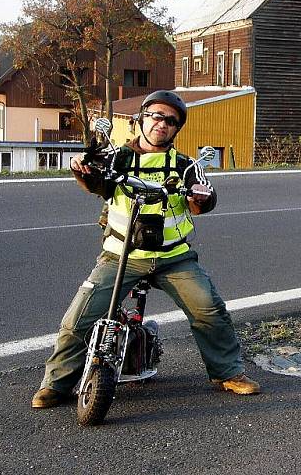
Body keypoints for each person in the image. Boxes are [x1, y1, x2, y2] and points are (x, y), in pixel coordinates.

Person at [32, 90, 260, 408]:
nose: (162, 124)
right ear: (142, 118)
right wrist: (83, 172)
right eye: (155, 116)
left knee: (209, 309)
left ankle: (227, 373)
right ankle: (57, 384)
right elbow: (98, 182)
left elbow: (202, 201)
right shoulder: (117, 158)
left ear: (176, 128)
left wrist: (201, 197)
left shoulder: (185, 165)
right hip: (120, 255)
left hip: (173, 257)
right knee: (80, 317)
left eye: (171, 120)